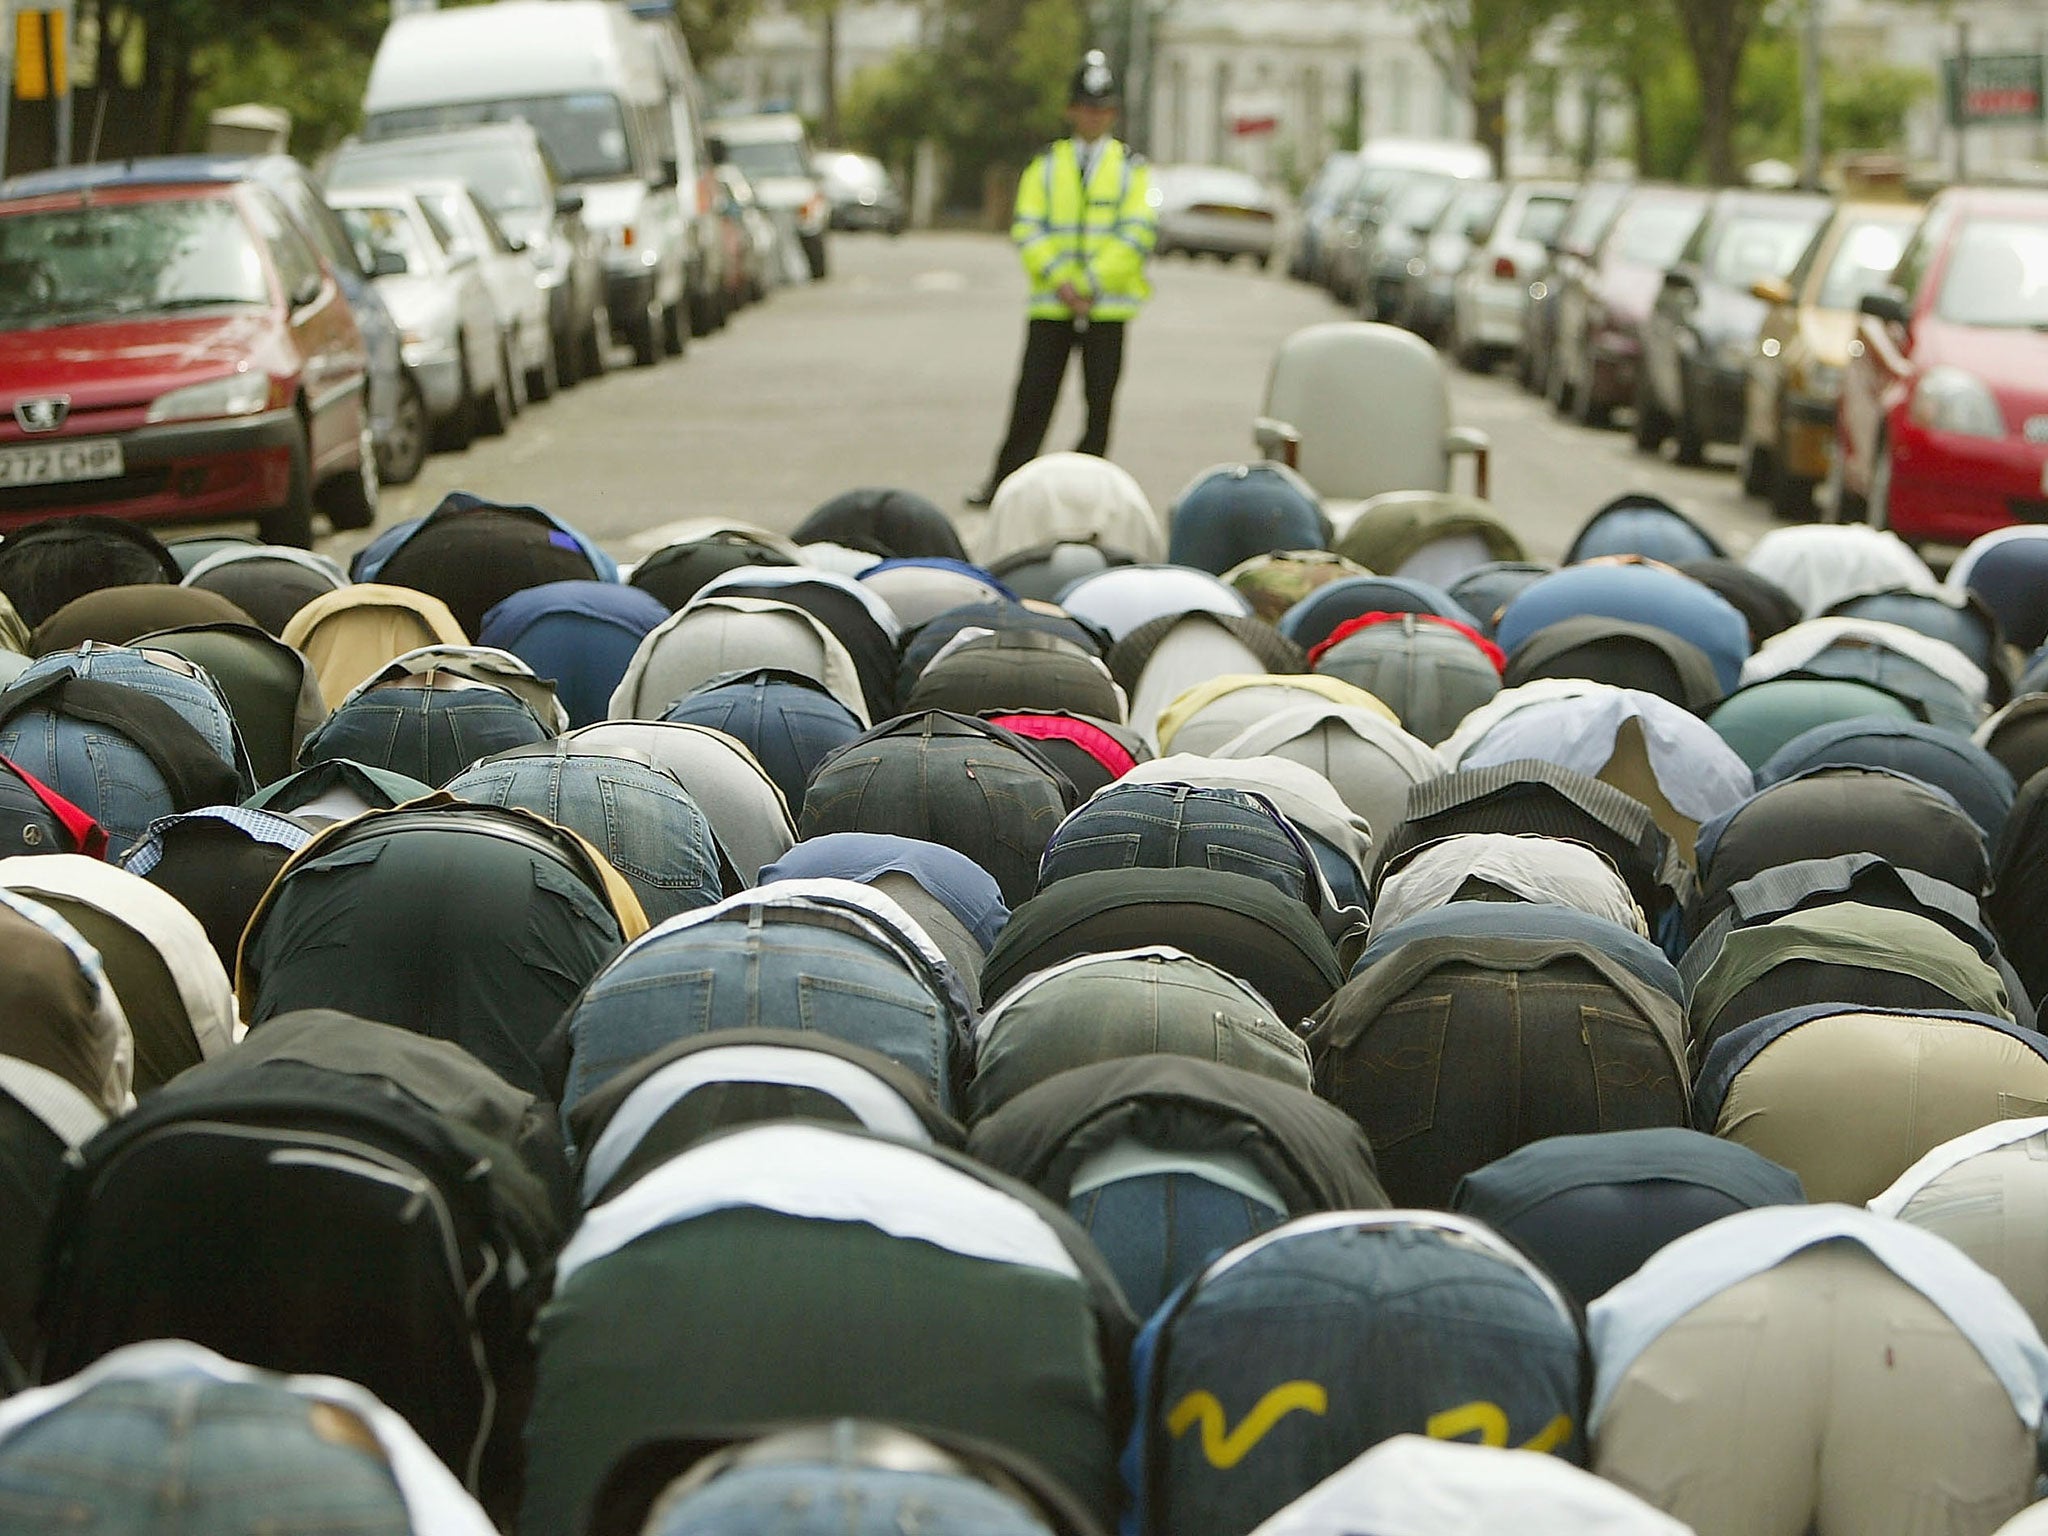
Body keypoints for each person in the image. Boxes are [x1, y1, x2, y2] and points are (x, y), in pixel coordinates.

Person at [967, 51, 1158, 508]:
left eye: (1102, 107)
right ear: (1071, 110)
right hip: (1053, 304)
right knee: (1032, 399)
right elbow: (1027, 227)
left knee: (1099, 407)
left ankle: (1089, 495)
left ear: (1112, 113)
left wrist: (1089, 283)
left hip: (1106, 306)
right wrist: (1061, 281)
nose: (1093, 116)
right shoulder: (1045, 166)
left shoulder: (1132, 168)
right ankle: (1006, 485)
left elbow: (1137, 233)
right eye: (1086, 106)